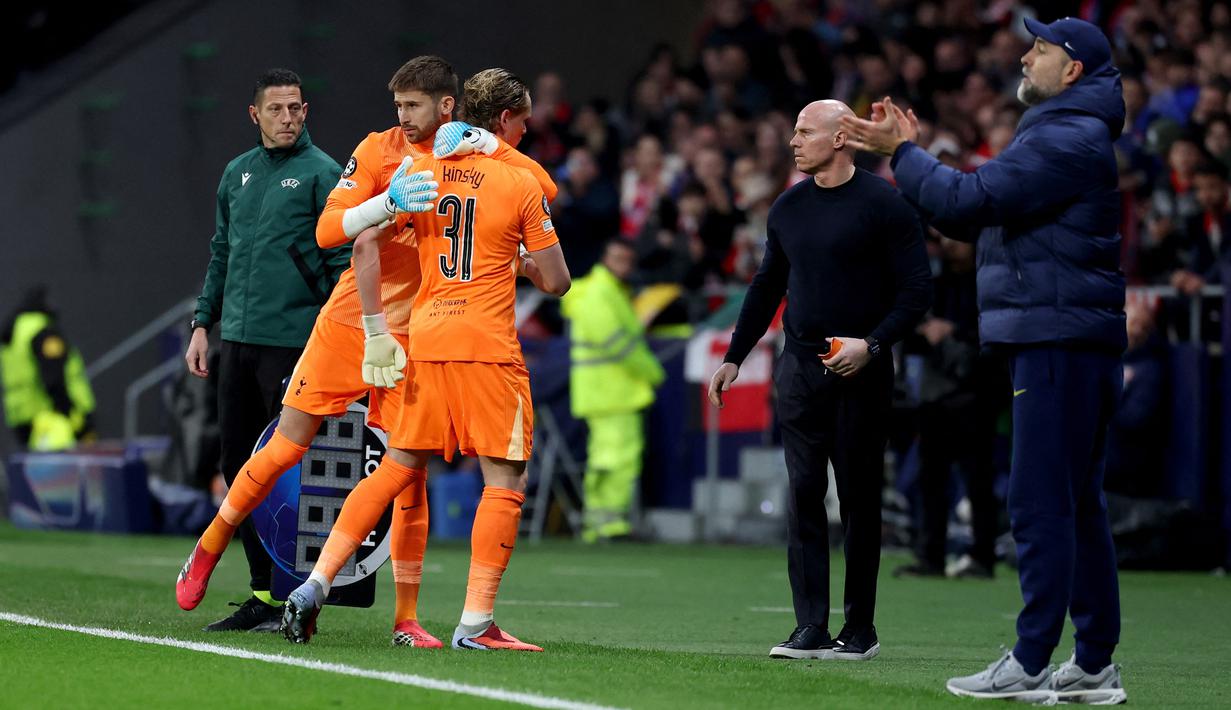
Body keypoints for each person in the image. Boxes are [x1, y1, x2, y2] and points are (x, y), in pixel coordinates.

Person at [176, 59, 557, 648]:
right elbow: (336, 236)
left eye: (413, 106)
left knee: (408, 472)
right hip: (356, 320)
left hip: (418, 336)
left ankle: (405, 618)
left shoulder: (459, 161)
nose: (401, 118)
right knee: (288, 442)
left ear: (448, 108)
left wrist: (490, 145)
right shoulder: (380, 152)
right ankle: (208, 547)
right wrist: (384, 207)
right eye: (398, 105)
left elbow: (536, 190)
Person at [841, 16, 1129, 704]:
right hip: (1067, 337)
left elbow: (970, 200)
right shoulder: (1069, 131)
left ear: (1073, 72)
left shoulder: (1065, 134)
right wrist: (917, 166)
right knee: (1076, 505)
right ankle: (1091, 664)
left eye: (1040, 50)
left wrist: (902, 154)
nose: (1024, 57)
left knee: (1037, 503)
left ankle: (1031, 663)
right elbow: (971, 210)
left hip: (1056, 340)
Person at [280, 69, 571, 652]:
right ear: (506, 123)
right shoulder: (518, 182)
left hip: (426, 338)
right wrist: (520, 256)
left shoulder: (419, 173)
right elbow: (557, 280)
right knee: (504, 478)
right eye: (523, 123)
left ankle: (315, 582)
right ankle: (475, 622)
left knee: (396, 467)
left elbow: (359, 240)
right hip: (487, 345)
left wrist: (375, 329)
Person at [708, 99, 932, 662]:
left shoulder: (886, 205)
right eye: (794, 130)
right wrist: (736, 355)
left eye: (805, 131)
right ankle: (809, 625)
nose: (793, 140)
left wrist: (872, 345)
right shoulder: (787, 208)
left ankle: (860, 628)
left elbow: (916, 293)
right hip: (801, 369)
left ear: (839, 139)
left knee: (858, 499)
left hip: (862, 368)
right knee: (803, 494)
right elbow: (766, 286)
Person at [182, 68, 350, 632]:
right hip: (237, 342)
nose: (287, 118)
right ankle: (263, 594)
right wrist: (203, 323)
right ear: (254, 115)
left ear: (306, 111)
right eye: (276, 109)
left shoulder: (323, 174)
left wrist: (341, 342)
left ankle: (298, 596)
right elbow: (220, 253)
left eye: (296, 108)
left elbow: (342, 270)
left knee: (288, 477)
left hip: (296, 347)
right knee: (236, 468)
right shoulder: (238, 173)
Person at [893, 235, 1002, 581]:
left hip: (975, 393)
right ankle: (931, 556)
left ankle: (982, 557)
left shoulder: (989, 286)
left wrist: (953, 331)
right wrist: (925, 329)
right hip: (935, 393)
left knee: (977, 480)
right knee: (931, 480)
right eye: (946, 238)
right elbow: (909, 336)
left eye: (959, 238)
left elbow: (996, 336)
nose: (951, 244)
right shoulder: (934, 286)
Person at [560, 238, 666, 543]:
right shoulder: (600, 294)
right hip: (611, 392)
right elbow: (619, 346)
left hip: (611, 391)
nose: (624, 265)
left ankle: (602, 523)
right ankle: (607, 525)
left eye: (627, 259)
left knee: (611, 459)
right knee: (614, 460)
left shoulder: (607, 292)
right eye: (618, 258)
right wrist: (652, 372)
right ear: (605, 258)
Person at [1, 285, 95, 451]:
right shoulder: (41, 331)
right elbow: (54, 378)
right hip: (52, 417)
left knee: (32, 471)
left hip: (20, 415)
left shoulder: (13, 331)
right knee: (64, 473)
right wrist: (71, 413)